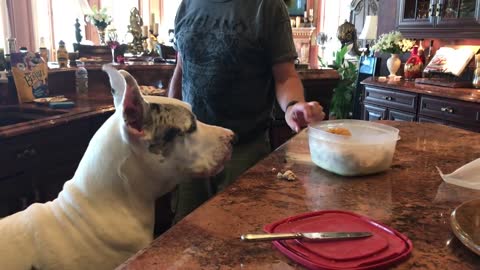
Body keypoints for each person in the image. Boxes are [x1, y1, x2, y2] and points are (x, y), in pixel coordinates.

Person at [168, 0, 325, 223]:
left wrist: (293, 106)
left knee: (237, 231)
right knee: (185, 234)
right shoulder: (188, 4)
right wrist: (169, 124)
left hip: (242, 149)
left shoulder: (267, 6)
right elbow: (182, 69)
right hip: (190, 147)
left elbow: (285, 76)